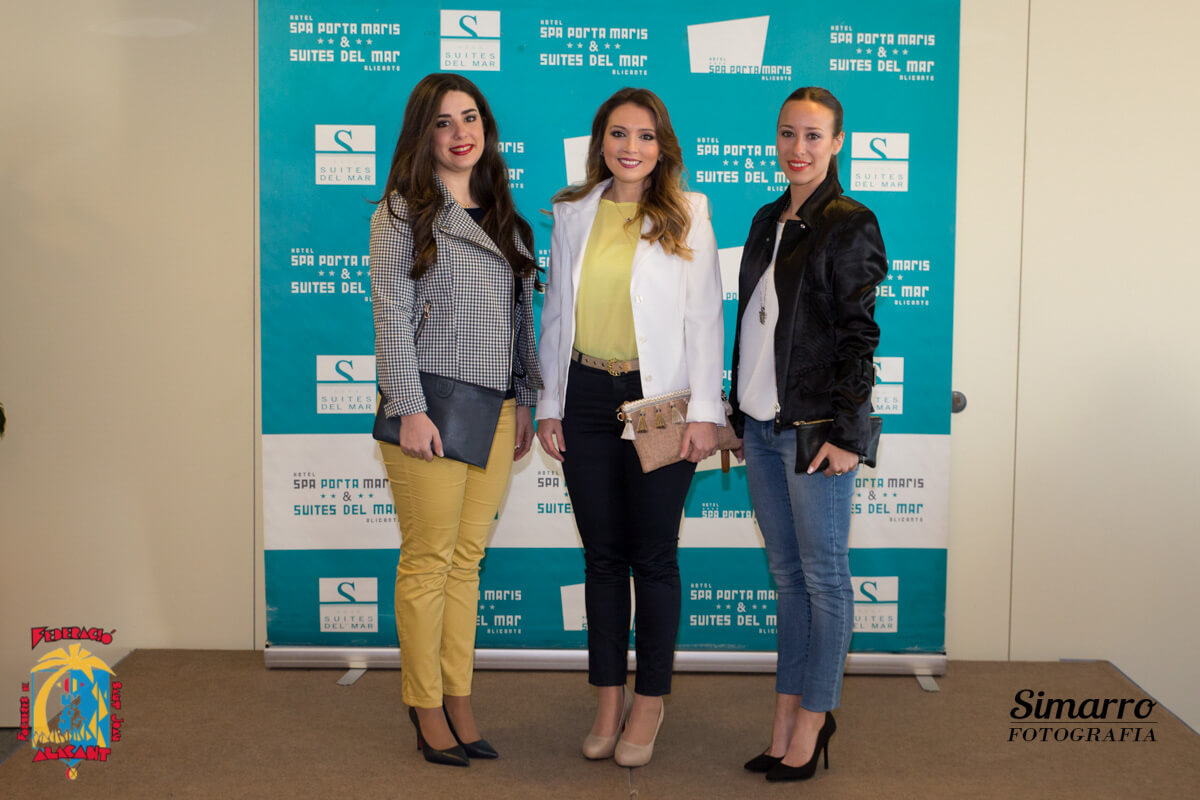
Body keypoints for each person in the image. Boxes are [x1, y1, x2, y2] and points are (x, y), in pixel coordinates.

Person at [535, 87, 724, 768]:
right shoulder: (572, 212)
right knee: (602, 558)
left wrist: (706, 413)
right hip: (585, 396)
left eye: (645, 136)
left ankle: (650, 699)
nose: (631, 147)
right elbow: (557, 312)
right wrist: (549, 402)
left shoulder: (688, 212)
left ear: (662, 145)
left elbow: (705, 319)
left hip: (661, 401)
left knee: (654, 556)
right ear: (601, 142)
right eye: (619, 133)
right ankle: (608, 697)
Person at [370, 72, 541, 767]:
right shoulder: (401, 213)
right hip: (432, 411)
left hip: (497, 410)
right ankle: (424, 705)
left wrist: (524, 399)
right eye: (443, 122)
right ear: (423, 134)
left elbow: (520, 322)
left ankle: (459, 699)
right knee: (429, 561)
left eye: (470, 118)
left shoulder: (506, 216)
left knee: (466, 562)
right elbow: (391, 318)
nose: (460, 133)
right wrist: (409, 409)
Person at [729, 86, 888, 782]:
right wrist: (737, 415)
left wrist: (848, 433)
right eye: (788, 133)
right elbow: (754, 326)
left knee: (824, 580)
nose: (798, 148)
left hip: (817, 435)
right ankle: (784, 719)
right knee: (788, 580)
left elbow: (859, 338)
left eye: (814, 136)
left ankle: (815, 719)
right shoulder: (767, 219)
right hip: (762, 427)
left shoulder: (850, 223)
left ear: (838, 142)